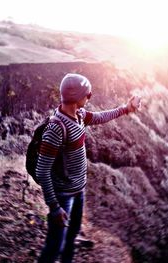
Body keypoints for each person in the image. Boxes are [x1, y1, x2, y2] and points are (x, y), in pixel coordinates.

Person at [37, 73, 140, 263]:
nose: (90, 96)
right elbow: (42, 170)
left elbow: (102, 116)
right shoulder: (56, 128)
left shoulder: (80, 116)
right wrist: (54, 207)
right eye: (88, 94)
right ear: (76, 97)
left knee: (70, 238)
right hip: (63, 197)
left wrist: (126, 108)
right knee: (54, 246)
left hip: (78, 191)